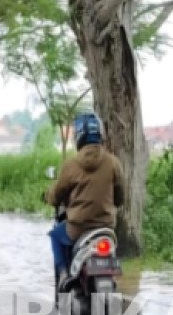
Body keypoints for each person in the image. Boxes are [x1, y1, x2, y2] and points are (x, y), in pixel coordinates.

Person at [45, 113, 125, 289]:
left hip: (77, 229)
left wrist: (48, 196)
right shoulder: (114, 163)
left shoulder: (70, 166)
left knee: (55, 236)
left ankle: (64, 274)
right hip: (105, 229)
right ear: (101, 134)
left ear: (78, 136)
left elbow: (56, 196)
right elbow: (120, 198)